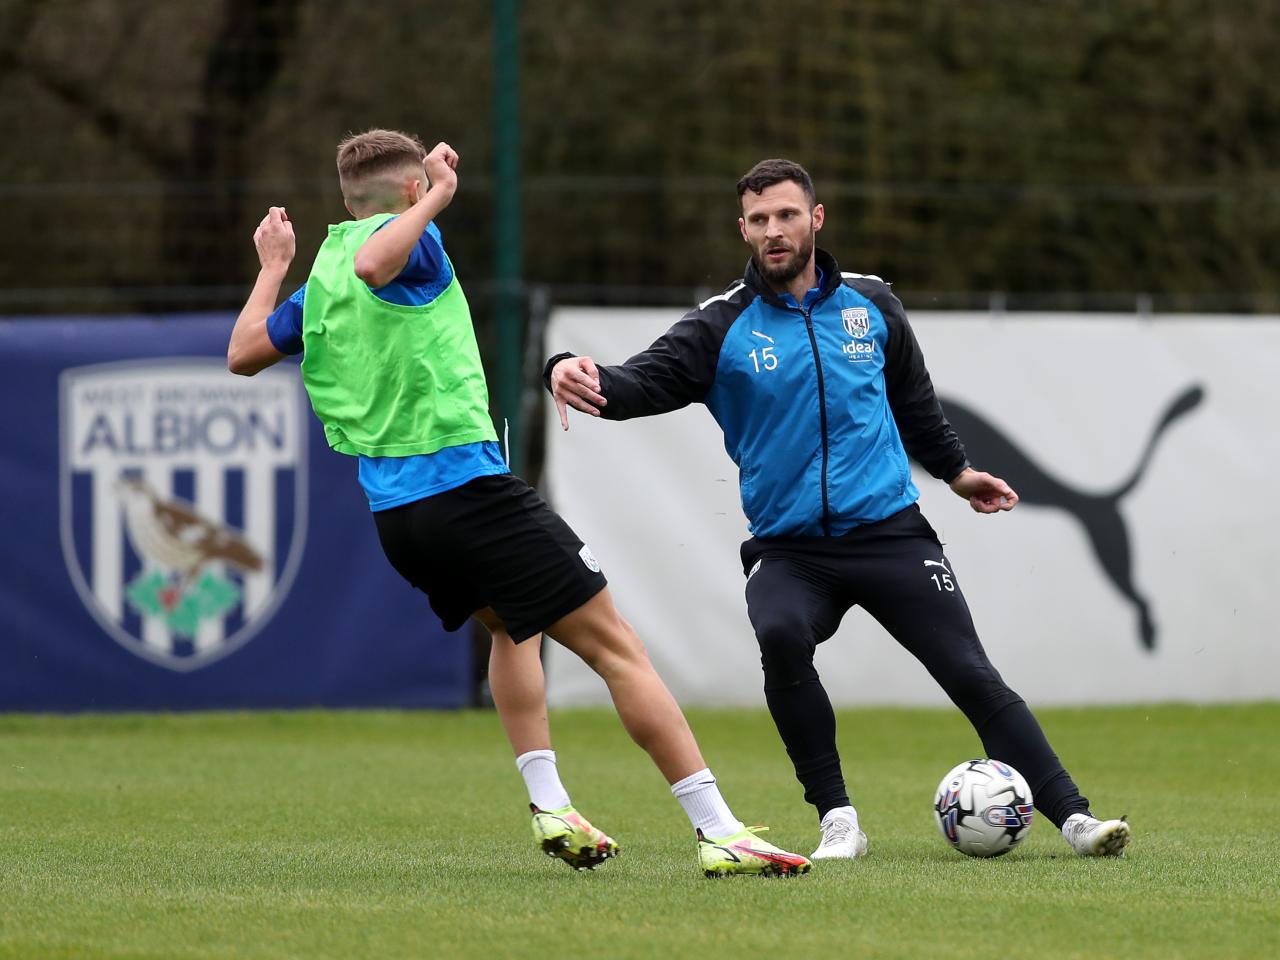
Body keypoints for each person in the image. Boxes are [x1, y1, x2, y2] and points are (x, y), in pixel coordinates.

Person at [226, 131, 811, 878]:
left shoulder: (323, 277)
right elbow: (380, 260)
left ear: (346, 201)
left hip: (399, 519)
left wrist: (273, 269)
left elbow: (244, 352)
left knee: (512, 630)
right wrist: (439, 194)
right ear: (409, 192)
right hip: (468, 493)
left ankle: (550, 805)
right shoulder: (413, 243)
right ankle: (719, 828)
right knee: (617, 647)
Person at [546, 158, 1132, 861]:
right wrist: (570, 365)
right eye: (758, 220)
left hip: (891, 535)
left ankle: (1073, 818)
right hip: (791, 551)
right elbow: (634, 383)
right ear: (743, 230)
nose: (774, 231)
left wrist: (957, 471)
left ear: (816, 219)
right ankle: (837, 819)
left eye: (787, 215)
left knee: (972, 675)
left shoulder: (872, 303)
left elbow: (915, 404)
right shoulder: (721, 326)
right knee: (783, 635)